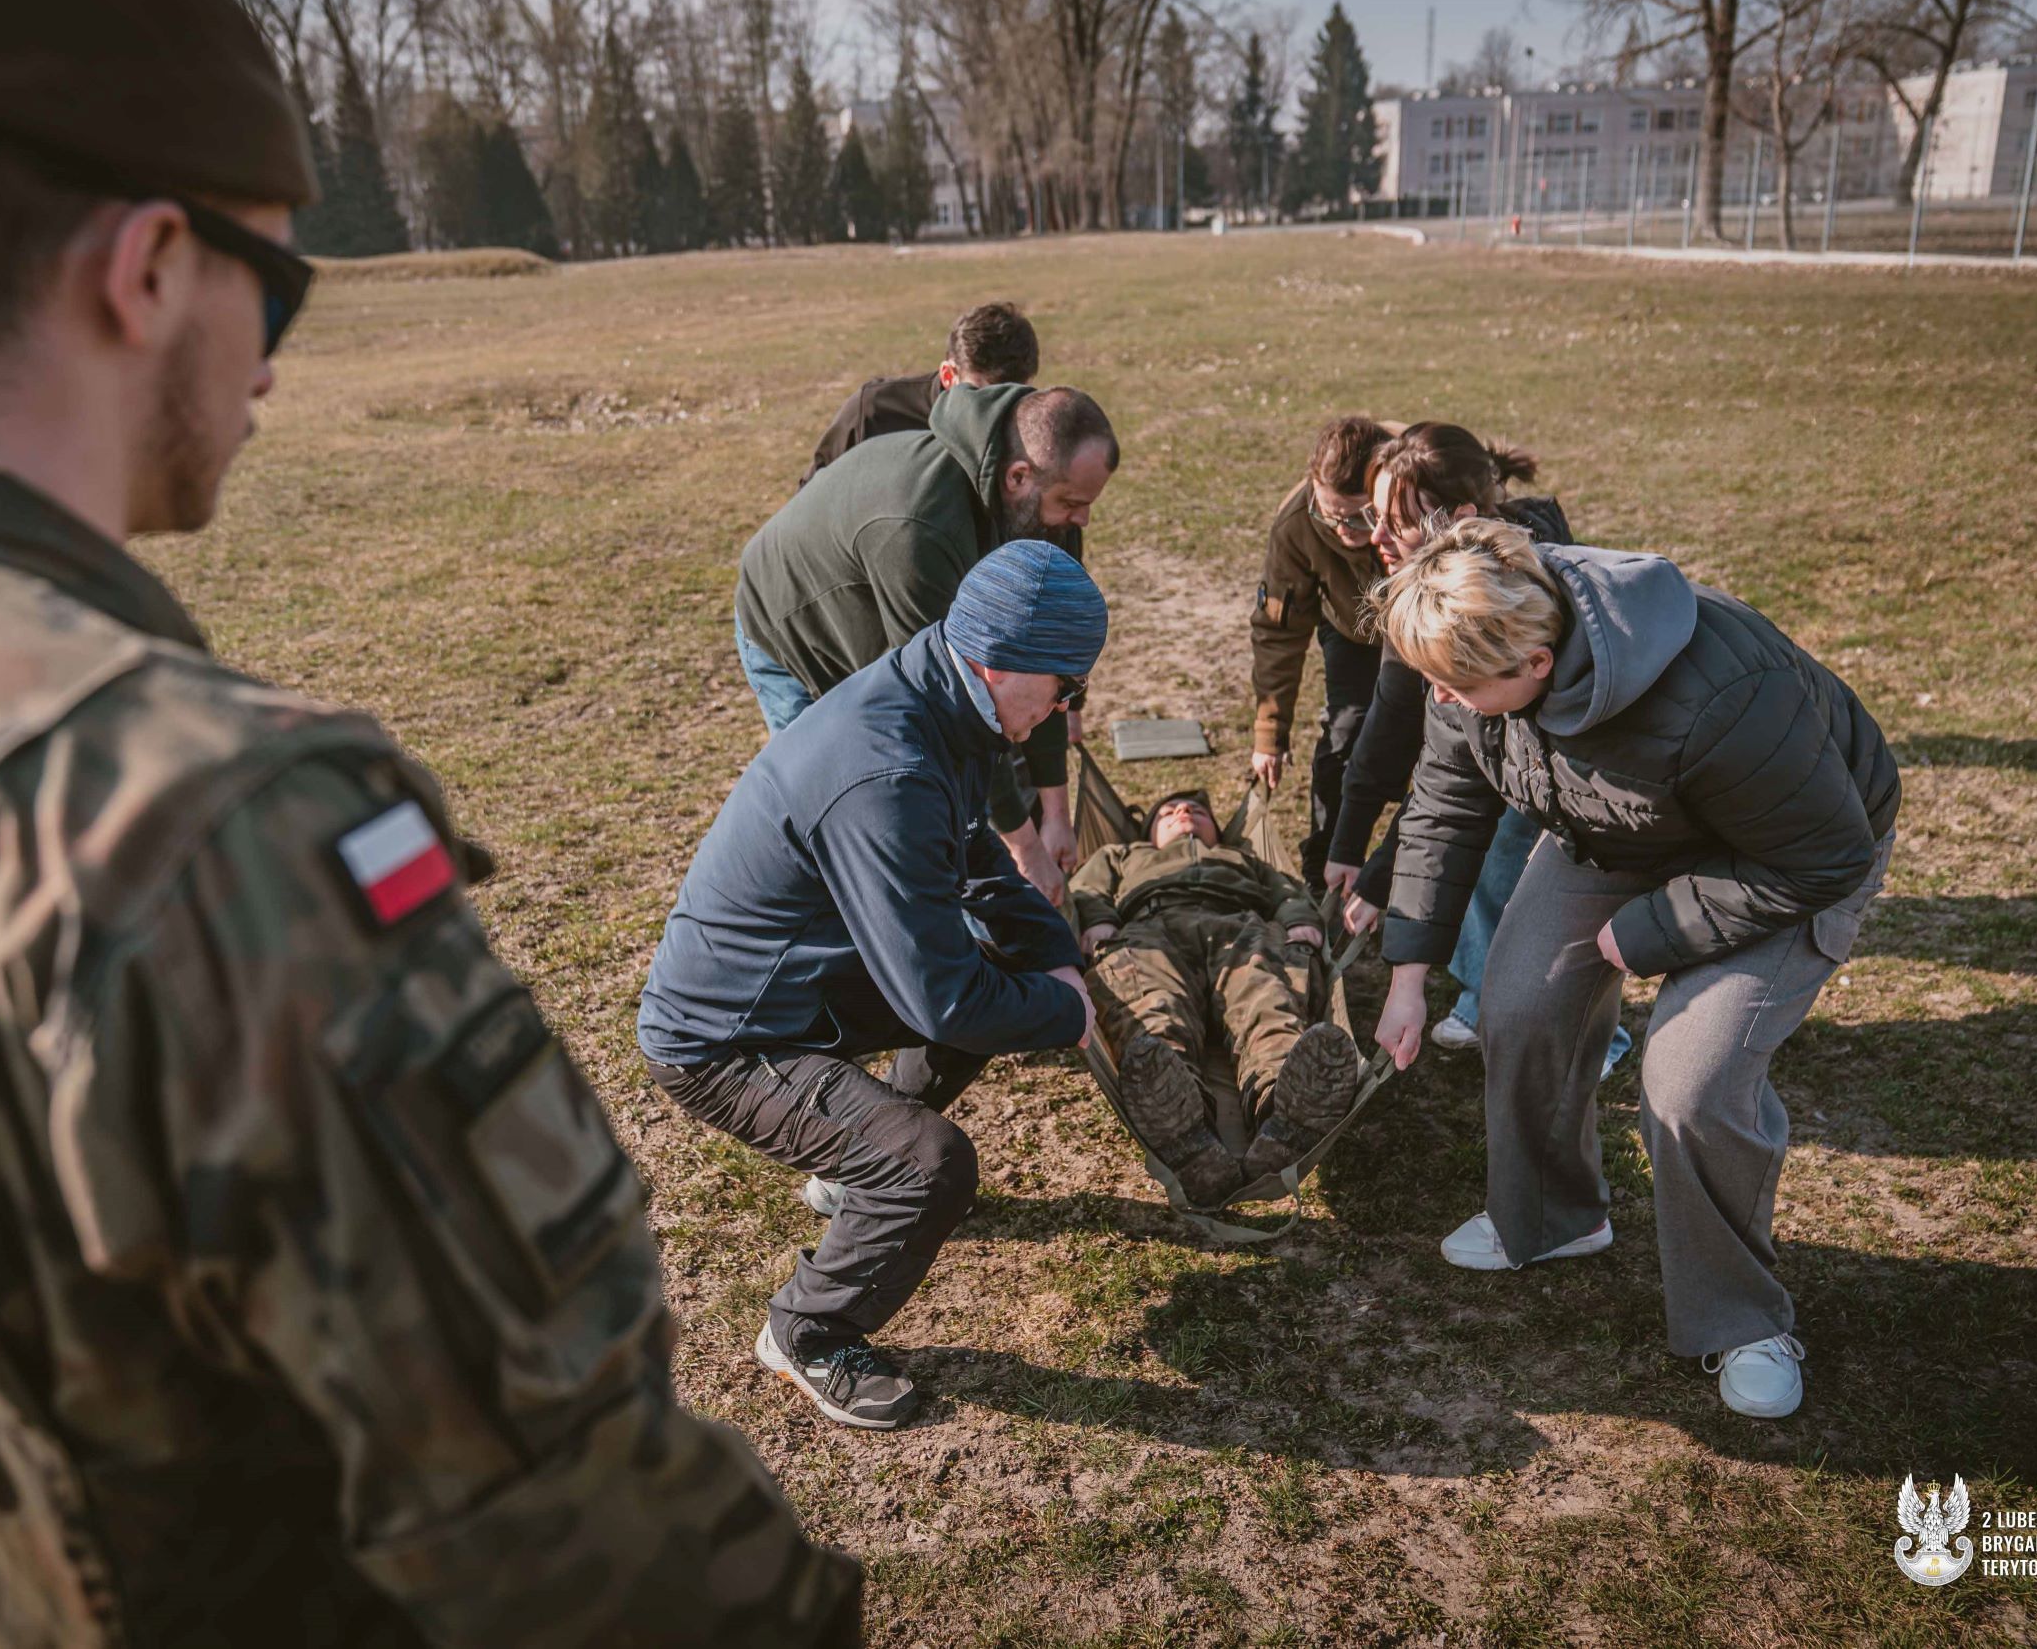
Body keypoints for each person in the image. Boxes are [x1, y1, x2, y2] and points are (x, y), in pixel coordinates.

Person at [0, 0, 860, 1643]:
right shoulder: (208, 823)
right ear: (148, 268)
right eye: (279, 282)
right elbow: (578, 1531)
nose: (273, 365)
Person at [1368, 519, 1898, 1422]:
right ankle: (1549, 1218)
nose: (1439, 698)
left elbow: (1823, 857)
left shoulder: (1724, 690)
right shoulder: (1466, 665)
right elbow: (1444, 807)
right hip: (1616, 822)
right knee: (1519, 1002)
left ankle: (1742, 1319)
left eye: (1455, 686)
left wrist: (1651, 930)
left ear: (1535, 664)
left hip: (1786, 853)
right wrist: (1410, 971)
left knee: (1691, 1080)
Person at [641, 542, 1104, 1430]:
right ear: (1003, 659)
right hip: (725, 1038)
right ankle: (808, 1331)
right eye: (1065, 687)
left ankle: (855, 1168)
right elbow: (946, 1002)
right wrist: (1063, 1010)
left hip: (797, 982)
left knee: (988, 984)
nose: (1065, 711)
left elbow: (972, 857)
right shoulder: (886, 769)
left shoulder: (941, 697)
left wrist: (1051, 953)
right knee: (932, 1164)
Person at [1322, 422, 1632, 1078]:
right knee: (1476, 862)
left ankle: (1595, 1037)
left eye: (1393, 520)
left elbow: (1463, 790)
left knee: (1523, 875)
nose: (1375, 536)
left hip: (1563, 767)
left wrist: (1381, 873)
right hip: (1497, 762)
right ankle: (1486, 991)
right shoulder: (1422, 586)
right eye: (1372, 514)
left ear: (1459, 517)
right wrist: (1353, 849)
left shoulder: (1513, 595)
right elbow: (1399, 730)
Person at [735, 382, 1119, 904]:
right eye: (1072, 503)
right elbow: (951, 703)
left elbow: (1048, 658)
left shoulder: (1043, 509)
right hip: (794, 625)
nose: (1083, 520)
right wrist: (1023, 846)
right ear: (1018, 477)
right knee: (858, 803)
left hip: (884, 609)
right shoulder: (920, 527)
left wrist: (1055, 811)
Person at [1073, 791, 1362, 1206]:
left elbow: (1288, 891)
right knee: (1152, 1008)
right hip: (1152, 928)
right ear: (1148, 832)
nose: (1184, 812)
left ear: (1218, 828)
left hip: (1241, 926)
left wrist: (1298, 920)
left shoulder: (1242, 857)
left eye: (1196, 810)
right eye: (1169, 813)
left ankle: (1281, 1110)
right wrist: (1099, 921)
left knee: (1267, 998)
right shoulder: (1121, 854)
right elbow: (1086, 889)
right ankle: (1184, 1129)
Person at [1247, 414, 1401, 891]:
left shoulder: (1420, 497)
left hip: (1427, 627)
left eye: (1358, 516)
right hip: (1352, 628)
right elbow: (1279, 631)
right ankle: (1328, 866)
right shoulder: (1296, 523)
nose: (1342, 530)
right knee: (1344, 735)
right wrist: (1270, 732)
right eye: (1328, 514)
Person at [804, 300, 1041, 485]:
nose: (998, 410)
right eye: (983, 396)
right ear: (949, 375)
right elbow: (811, 497)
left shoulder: (1030, 427)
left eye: (1013, 396)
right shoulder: (875, 411)